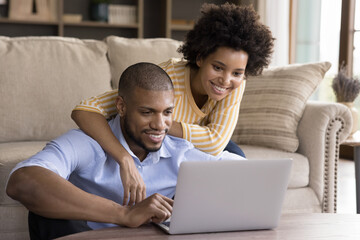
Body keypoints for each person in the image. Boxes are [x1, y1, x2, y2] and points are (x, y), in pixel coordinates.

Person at [6, 63, 243, 240]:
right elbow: (22, 181)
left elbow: (246, 175)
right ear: (121, 106)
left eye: (167, 112)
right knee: (44, 215)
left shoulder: (182, 153)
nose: (160, 125)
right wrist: (124, 214)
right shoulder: (86, 144)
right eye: (147, 112)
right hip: (88, 235)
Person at [71, 3, 274, 206]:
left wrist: (166, 126)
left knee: (237, 159)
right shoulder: (167, 78)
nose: (226, 80)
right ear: (200, 57)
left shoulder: (235, 84)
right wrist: (124, 157)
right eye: (218, 67)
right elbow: (84, 110)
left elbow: (216, 143)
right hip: (161, 144)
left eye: (237, 73)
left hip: (189, 142)